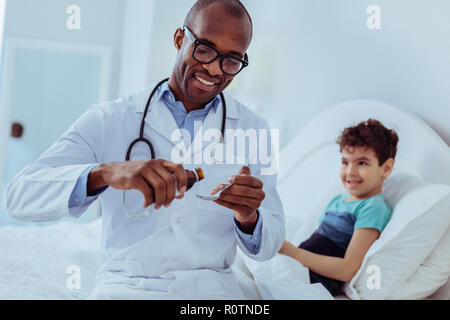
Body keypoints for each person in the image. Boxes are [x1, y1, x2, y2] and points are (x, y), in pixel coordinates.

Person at [7, 0, 284, 299]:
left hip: (212, 292)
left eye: (232, 60)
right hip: (126, 285)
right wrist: (106, 173)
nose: (215, 69)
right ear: (180, 39)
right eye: (204, 49)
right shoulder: (110, 118)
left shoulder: (254, 129)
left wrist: (249, 218)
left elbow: (270, 244)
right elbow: (19, 196)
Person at [279, 119, 398, 296]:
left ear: (386, 168)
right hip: (299, 268)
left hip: (316, 281)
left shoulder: (373, 207)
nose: (350, 172)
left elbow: (348, 269)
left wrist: (293, 253)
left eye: (362, 163)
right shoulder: (337, 200)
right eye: (345, 162)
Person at [0, 122, 35, 225]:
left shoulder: (4, 146)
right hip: (20, 189)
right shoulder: (29, 150)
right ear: (22, 133)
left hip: (5, 187)